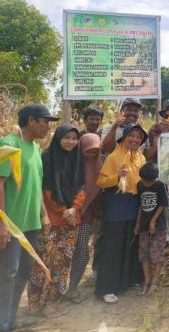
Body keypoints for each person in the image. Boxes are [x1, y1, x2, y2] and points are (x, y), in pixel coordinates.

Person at [0, 104, 55, 332]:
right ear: (31, 120)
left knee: (23, 271)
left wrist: (44, 214)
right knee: (7, 274)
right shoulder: (9, 146)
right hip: (12, 225)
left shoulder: (35, 149)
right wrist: (2, 223)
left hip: (31, 224)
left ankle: (10, 320)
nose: (48, 127)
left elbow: (37, 186)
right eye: (45, 121)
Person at [28, 124, 85, 317]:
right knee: (45, 262)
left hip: (70, 220)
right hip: (51, 219)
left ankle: (54, 300)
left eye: (74, 138)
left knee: (62, 263)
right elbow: (45, 190)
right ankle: (40, 304)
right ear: (58, 137)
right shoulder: (47, 157)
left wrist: (74, 208)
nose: (71, 141)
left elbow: (81, 186)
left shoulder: (77, 159)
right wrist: (63, 210)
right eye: (67, 137)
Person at [96, 124, 147, 303]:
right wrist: (117, 177)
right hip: (117, 204)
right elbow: (101, 182)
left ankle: (126, 282)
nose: (134, 140)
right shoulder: (114, 156)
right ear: (124, 138)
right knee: (114, 247)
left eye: (138, 137)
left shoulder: (141, 158)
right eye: (131, 136)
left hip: (134, 205)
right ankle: (107, 287)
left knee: (129, 244)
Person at [65, 133, 102, 303]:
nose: (91, 156)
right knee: (74, 253)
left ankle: (71, 288)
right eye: (87, 152)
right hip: (73, 214)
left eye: (95, 152)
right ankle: (66, 289)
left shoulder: (100, 165)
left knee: (86, 252)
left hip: (92, 214)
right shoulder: (73, 165)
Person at [134, 163, 169, 295]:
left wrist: (153, 221)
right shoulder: (140, 185)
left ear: (155, 179)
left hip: (158, 226)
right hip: (143, 225)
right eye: (144, 181)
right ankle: (147, 280)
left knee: (157, 253)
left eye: (149, 181)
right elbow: (140, 206)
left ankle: (155, 280)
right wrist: (138, 224)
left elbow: (162, 204)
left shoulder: (160, 186)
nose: (146, 184)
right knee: (144, 254)